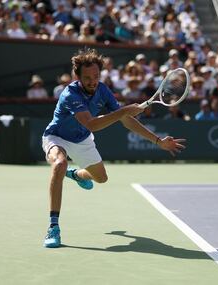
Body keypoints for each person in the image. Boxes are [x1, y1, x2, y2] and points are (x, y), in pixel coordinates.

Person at [41, 49, 185, 248]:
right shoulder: (70, 94)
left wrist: (158, 141)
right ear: (78, 76)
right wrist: (125, 110)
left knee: (101, 178)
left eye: (96, 76)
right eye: (87, 78)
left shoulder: (103, 90)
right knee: (59, 164)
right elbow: (91, 124)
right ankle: (53, 227)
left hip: (82, 140)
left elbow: (126, 120)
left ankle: (77, 175)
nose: (92, 81)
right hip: (57, 137)